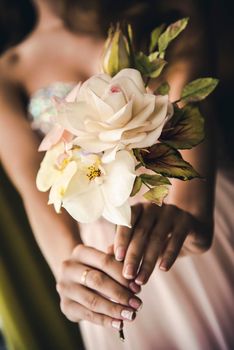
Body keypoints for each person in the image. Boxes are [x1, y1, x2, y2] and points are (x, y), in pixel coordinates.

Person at [0, 0, 233, 349]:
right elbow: (32, 182)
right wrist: (70, 269)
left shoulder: (163, 10)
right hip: (107, 258)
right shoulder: (8, 73)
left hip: (186, 207)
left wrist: (186, 207)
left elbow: (190, 106)